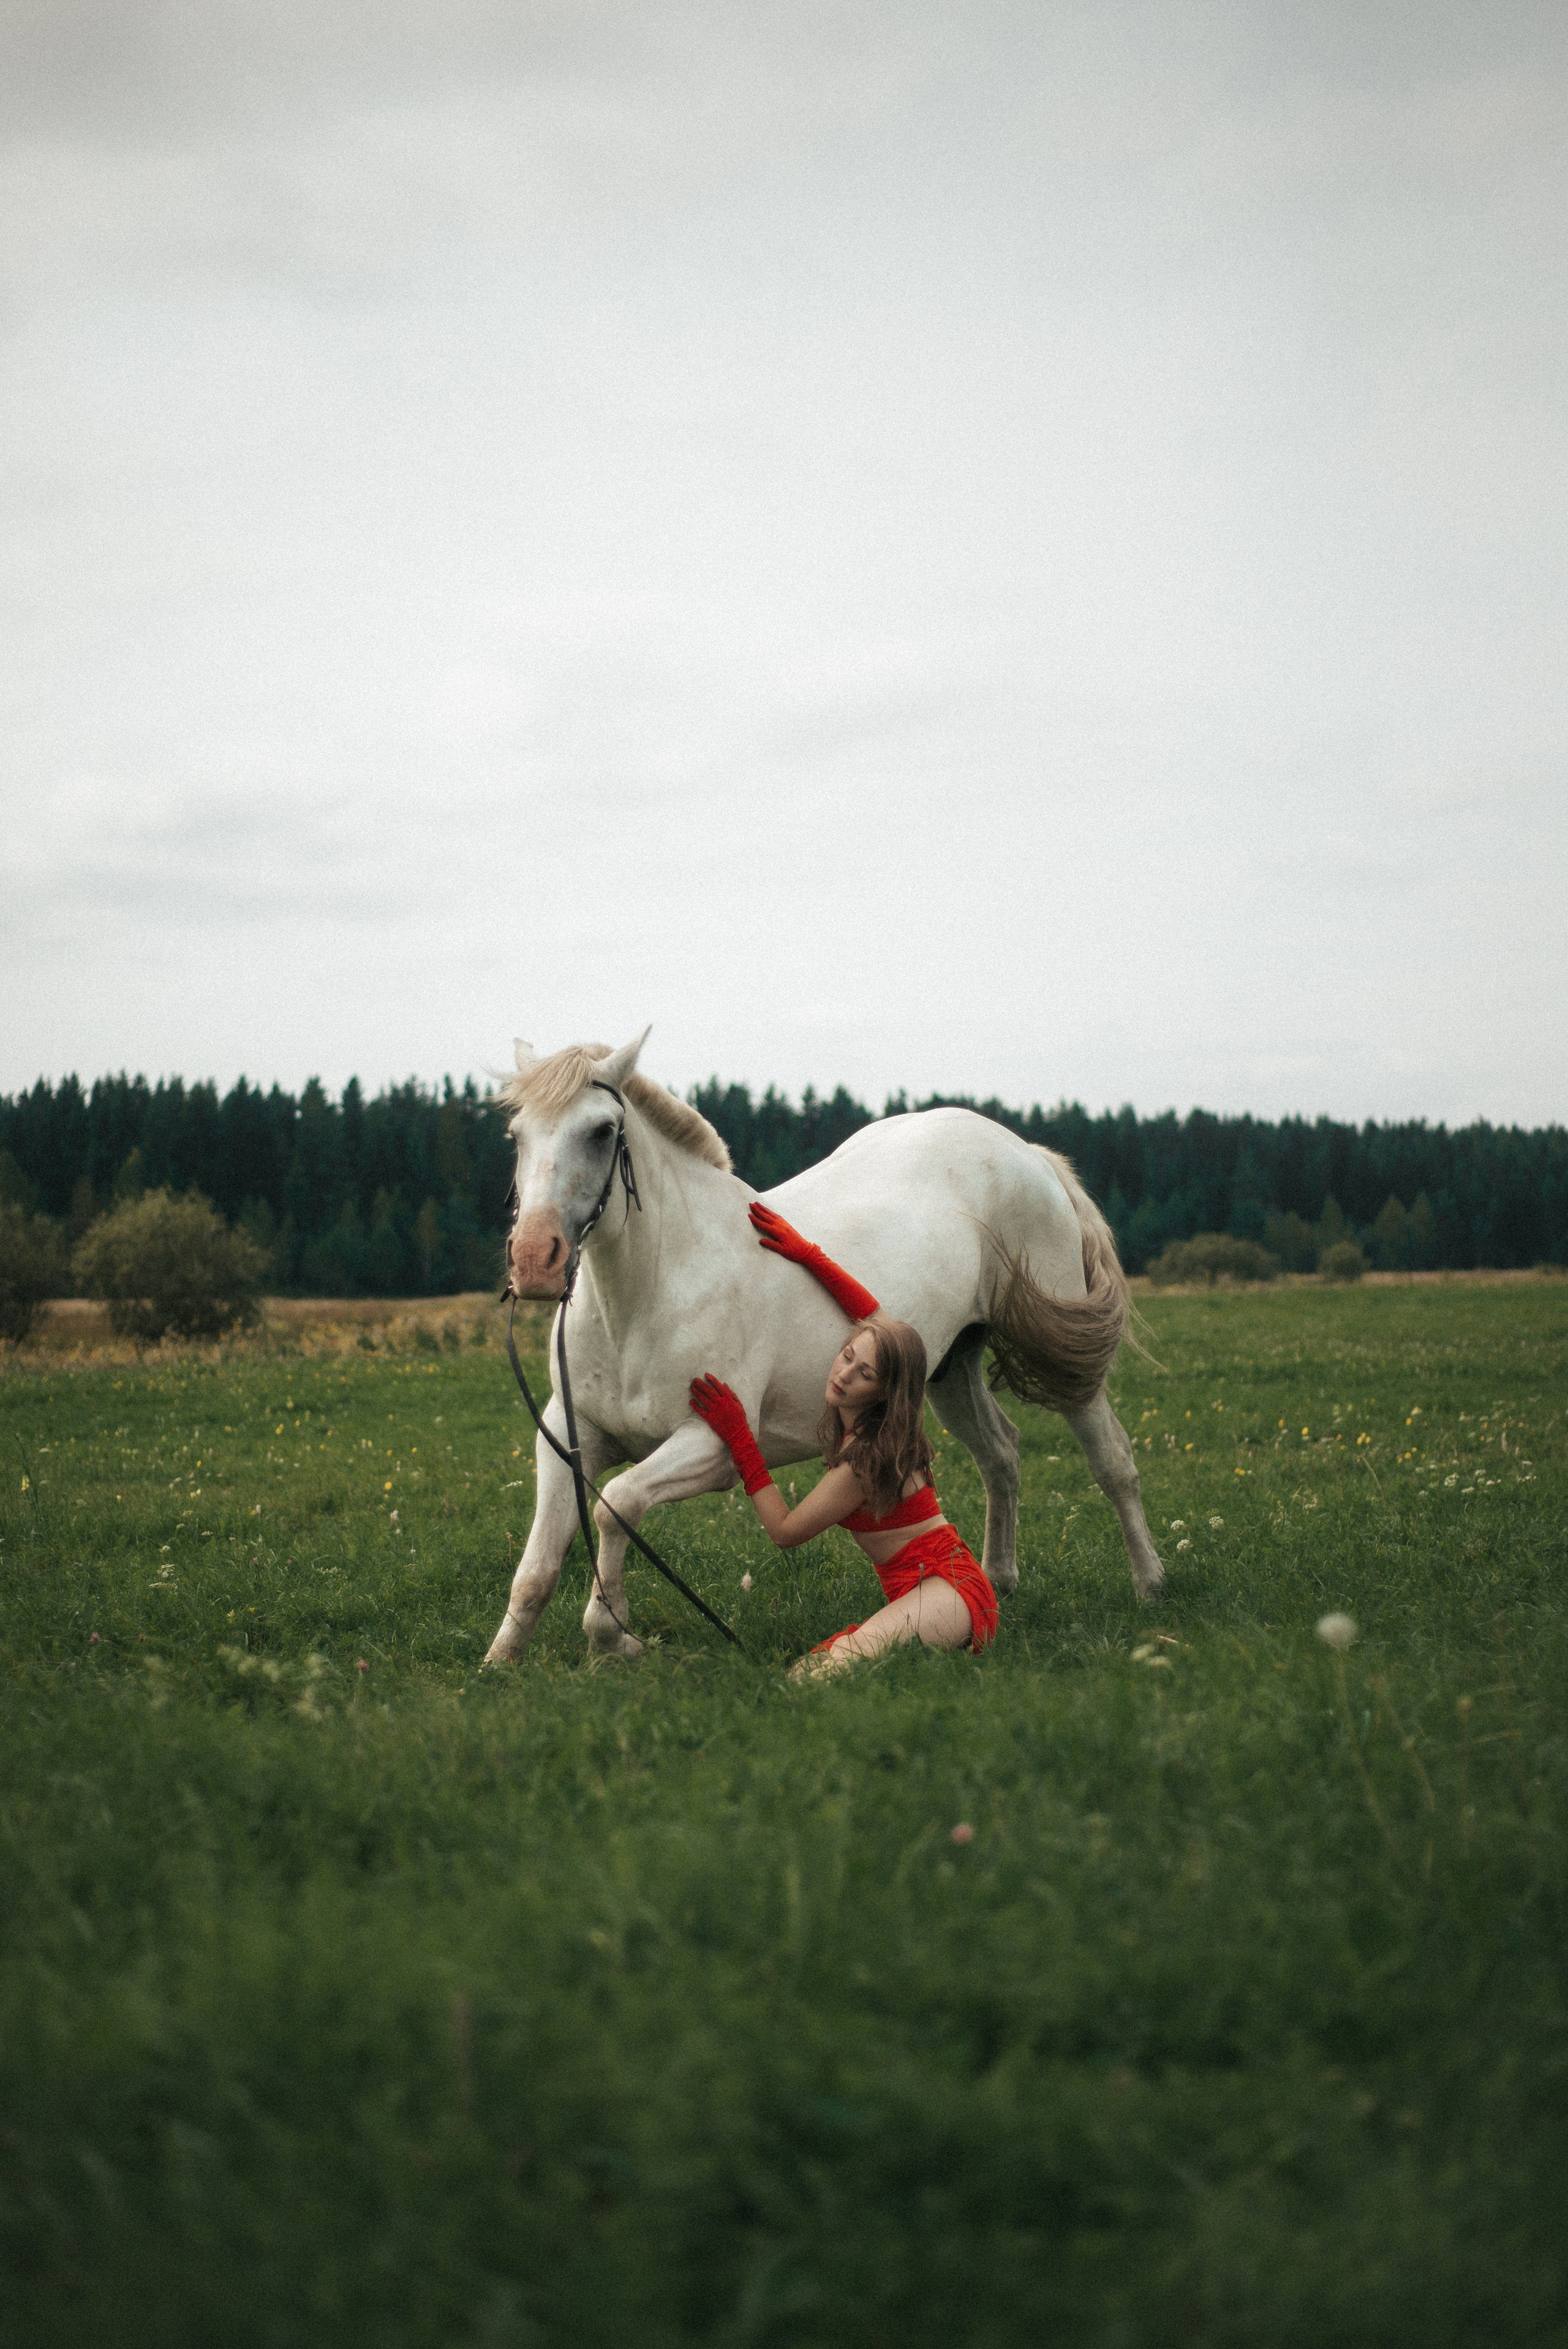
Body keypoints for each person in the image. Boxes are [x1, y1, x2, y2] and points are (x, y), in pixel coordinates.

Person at [688, 1202, 999, 1676]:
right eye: (847, 1355)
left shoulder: (866, 1455)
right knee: (814, 1669)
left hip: (951, 1589)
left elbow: (786, 1532)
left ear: (885, 1390)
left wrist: (740, 1435)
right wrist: (806, 1253)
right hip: (923, 1589)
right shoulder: (887, 1419)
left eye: (865, 1372)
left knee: (821, 1675)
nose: (844, 1373)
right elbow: (871, 1313)